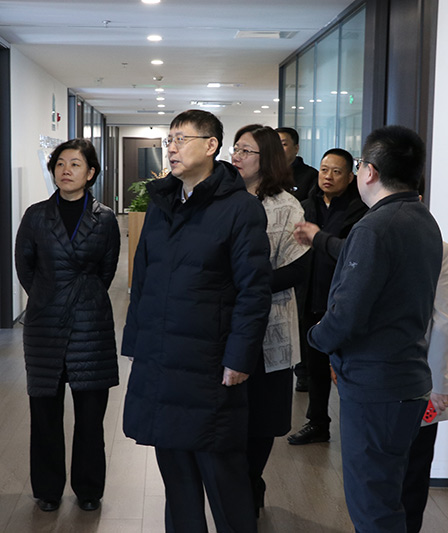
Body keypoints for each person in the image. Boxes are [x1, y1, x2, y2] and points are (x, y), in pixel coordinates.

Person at [122, 109, 272, 533]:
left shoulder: (240, 208)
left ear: (211, 145)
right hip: (161, 360)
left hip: (210, 365)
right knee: (177, 481)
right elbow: (143, 279)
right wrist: (136, 344)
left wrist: (239, 357)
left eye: (181, 139)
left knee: (224, 479)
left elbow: (254, 290)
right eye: (168, 139)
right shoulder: (161, 202)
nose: (171, 148)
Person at [307, 125, 442, 532]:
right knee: (390, 498)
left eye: (359, 164)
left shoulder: (375, 226)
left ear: (369, 172)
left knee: (372, 507)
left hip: (376, 386)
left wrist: (316, 336)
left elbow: (348, 315)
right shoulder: (423, 218)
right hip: (407, 380)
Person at [14, 138, 120, 513]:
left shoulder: (105, 218)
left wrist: (80, 295)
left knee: (90, 415)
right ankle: (47, 489)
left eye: (75, 164)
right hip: (44, 323)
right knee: (44, 413)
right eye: (60, 163)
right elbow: (25, 266)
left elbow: (106, 270)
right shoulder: (35, 216)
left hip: (91, 323)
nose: (66, 170)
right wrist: (49, 295)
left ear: (90, 173)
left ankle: (89, 489)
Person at [231, 124, 310, 516]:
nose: (236, 156)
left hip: (269, 325)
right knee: (228, 413)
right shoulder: (224, 199)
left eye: (246, 151)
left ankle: (251, 483)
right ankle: (232, 487)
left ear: (267, 159)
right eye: (235, 148)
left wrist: (249, 287)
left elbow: (297, 269)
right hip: (225, 324)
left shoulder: (286, 206)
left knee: (261, 417)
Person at [288, 149, 367, 444]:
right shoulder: (305, 206)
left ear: (350, 177)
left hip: (343, 298)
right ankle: (318, 422)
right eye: (324, 170)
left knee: (348, 367)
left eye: (336, 171)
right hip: (310, 295)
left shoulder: (360, 210)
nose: (328, 177)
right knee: (316, 367)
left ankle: (356, 429)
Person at [402, 237, 448, 533]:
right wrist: (441, 384)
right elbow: (444, 320)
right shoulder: (438, 248)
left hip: (372, 379)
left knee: (374, 472)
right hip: (419, 377)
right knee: (414, 470)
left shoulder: (365, 240)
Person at [275, 127, 318, 201]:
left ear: (296, 148)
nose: (278, 148)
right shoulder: (263, 173)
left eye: (283, 144)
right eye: (275, 144)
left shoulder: (311, 175)